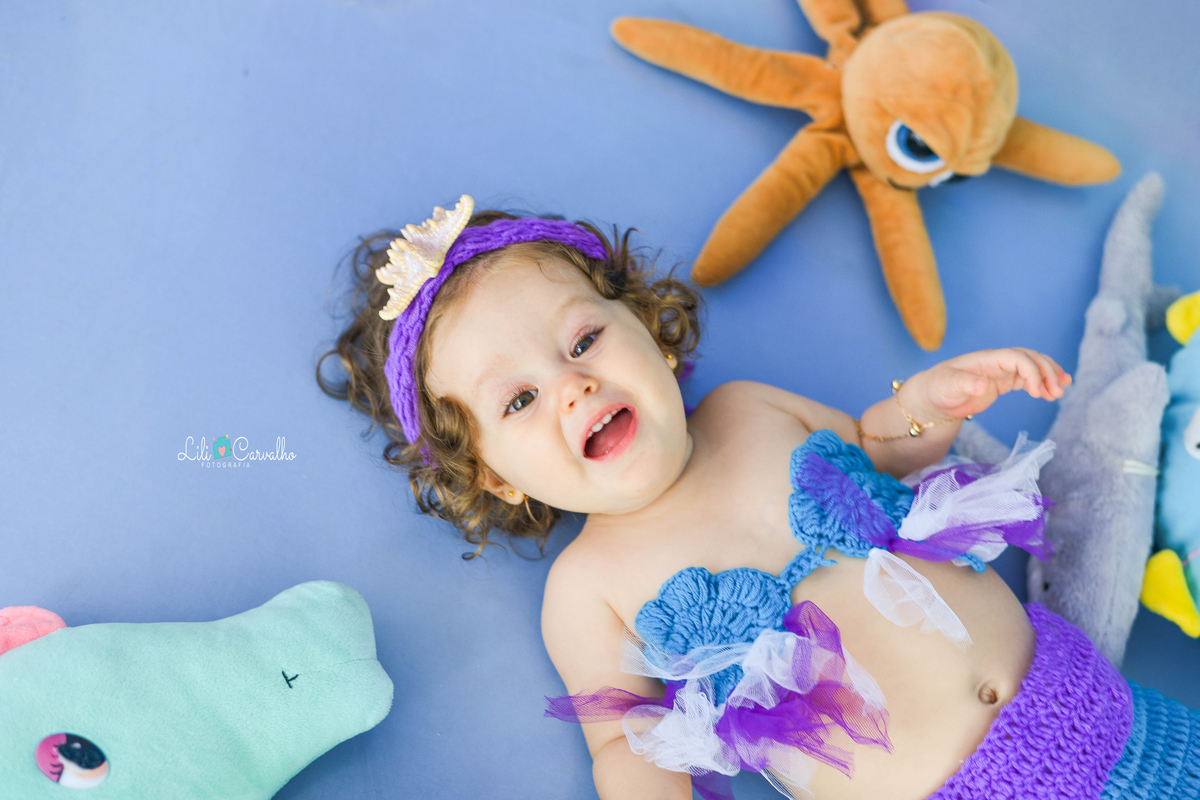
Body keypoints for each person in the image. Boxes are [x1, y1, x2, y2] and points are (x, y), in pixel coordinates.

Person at [318, 195, 1198, 800]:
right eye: (519, 401)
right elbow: (623, 743)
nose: (573, 387)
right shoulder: (590, 586)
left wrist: (929, 403)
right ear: (495, 477)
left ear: (649, 331)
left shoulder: (748, 409)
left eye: (583, 339)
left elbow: (875, 448)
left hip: (1098, 710)